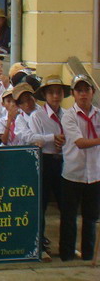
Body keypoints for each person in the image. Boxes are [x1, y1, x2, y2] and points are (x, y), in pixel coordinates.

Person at [26, 75, 70, 253]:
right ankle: (40, 243)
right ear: (45, 94)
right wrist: (53, 138)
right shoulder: (37, 115)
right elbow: (33, 138)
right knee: (41, 203)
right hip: (45, 160)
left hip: (63, 161)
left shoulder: (67, 115)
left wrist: (64, 141)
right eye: (51, 93)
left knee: (66, 204)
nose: (55, 96)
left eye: (58, 93)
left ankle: (66, 245)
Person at [59, 74, 100, 262]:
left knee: (91, 218)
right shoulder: (68, 116)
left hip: (95, 173)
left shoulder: (98, 114)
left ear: (93, 92)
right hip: (73, 173)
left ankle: (88, 255)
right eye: (79, 91)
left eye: (87, 90)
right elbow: (80, 142)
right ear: (73, 94)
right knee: (69, 217)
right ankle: (67, 255)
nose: (83, 95)